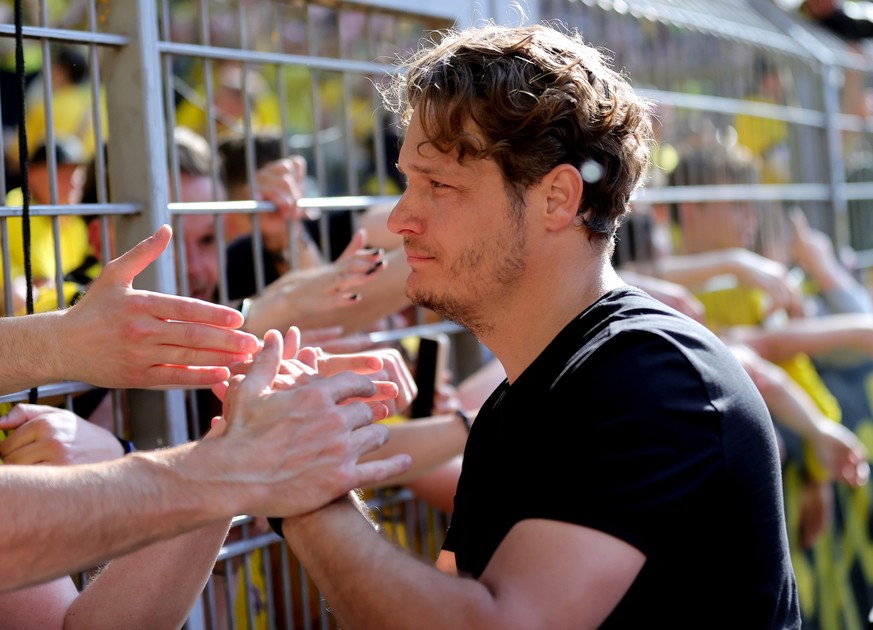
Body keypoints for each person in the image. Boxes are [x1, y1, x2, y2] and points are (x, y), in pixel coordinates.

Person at [245, 23, 800, 627]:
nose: (402, 217)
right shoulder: (522, 402)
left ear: (558, 199)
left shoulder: (649, 375)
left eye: (438, 184)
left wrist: (302, 486)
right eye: (409, 182)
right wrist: (305, 465)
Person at [0, 224, 412, 592]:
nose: (195, 268)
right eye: (176, 243)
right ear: (102, 238)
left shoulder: (223, 359)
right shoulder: (54, 312)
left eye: (209, 239)